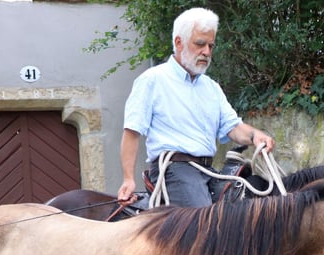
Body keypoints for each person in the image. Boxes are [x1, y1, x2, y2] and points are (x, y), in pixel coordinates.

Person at [116, 7, 275, 208]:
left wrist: (255, 137)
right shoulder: (152, 80)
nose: (206, 52)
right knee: (206, 227)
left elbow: (232, 127)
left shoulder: (211, 87)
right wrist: (128, 179)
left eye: (211, 45)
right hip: (174, 170)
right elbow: (132, 131)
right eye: (200, 44)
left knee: (249, 209)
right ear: (178, 42)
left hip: (208, 171)